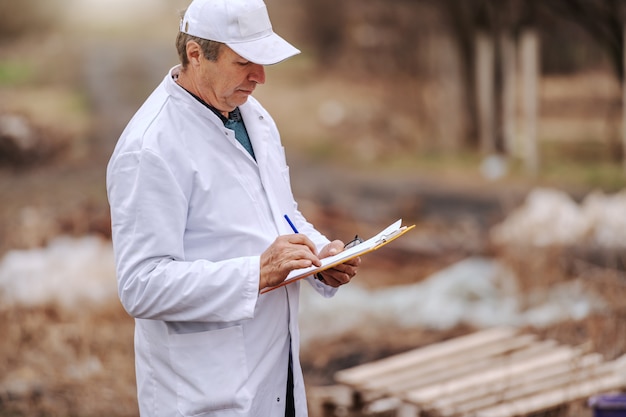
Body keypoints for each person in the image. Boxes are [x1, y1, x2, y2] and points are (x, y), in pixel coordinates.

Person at [105, 0, 361, 416]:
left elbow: (280, 211)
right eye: (244, 62)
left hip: (276, 374)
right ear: (195, 54)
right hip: (205, 393)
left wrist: (320, 255)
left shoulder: (251, 116)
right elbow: (140, 285)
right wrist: (256, 272)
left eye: (262, 62)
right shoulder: (150, 148)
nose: (259, 78)